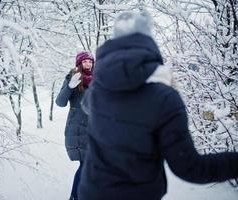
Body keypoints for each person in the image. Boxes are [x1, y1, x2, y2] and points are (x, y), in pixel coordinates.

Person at [78, 10, 238, 200]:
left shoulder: (97, 93)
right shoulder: (164, 98)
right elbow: (189, 167)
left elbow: (87, 104)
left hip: (91, 193)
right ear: (147, 43)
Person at [55, 51, 94, 200]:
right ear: (79, 63)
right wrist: (70, 86)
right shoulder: (73, 78)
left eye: (90, 61)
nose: (88, 64)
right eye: (85, 62)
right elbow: (60, 102)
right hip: (78, 129)